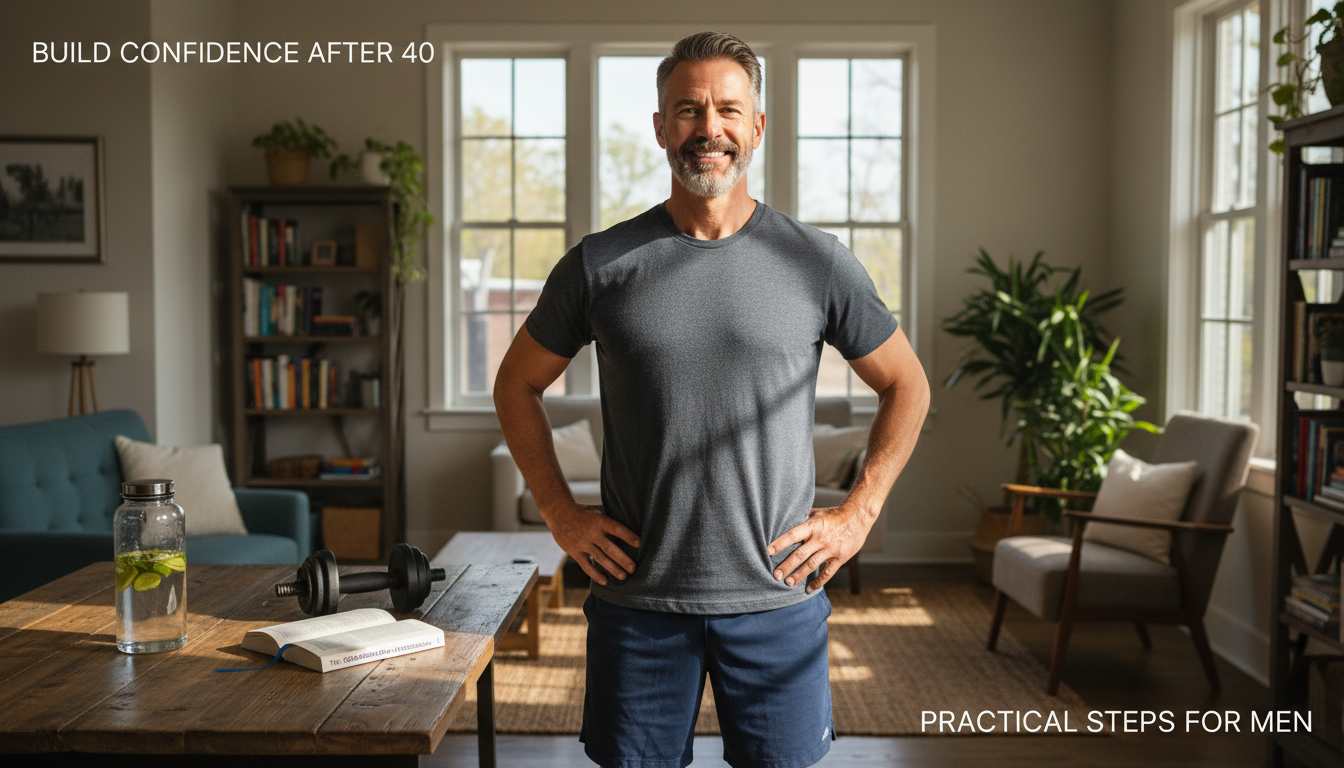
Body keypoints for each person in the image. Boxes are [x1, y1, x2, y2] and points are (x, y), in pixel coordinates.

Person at [493, 30, 930, 768]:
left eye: (728, 109)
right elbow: (516, 384)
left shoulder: (816, 261)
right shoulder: (601, 263)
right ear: (661, 127)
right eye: (688, 109)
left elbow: (907, 384)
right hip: (638, 603)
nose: (708, 128)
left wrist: (859, 513)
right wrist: (562, 515)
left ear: (757, 127)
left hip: (778, 599)